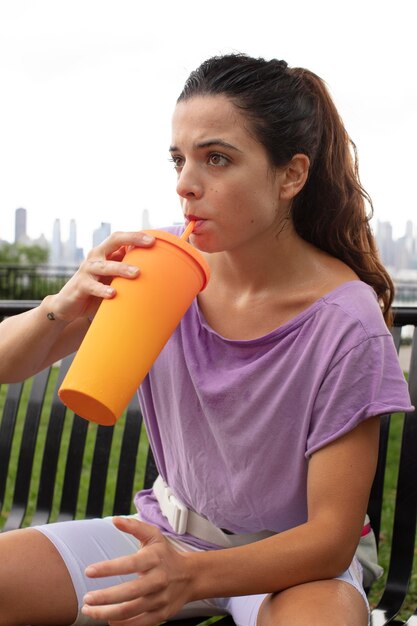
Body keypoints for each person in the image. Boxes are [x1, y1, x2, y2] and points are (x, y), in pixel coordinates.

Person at [0, 53, 413, 626]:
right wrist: (63, 304)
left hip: (290, 564)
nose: (185, 185)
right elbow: (6, 363)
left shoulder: (346, 321)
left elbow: (330, 539)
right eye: (179, 159)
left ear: (291, 175)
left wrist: (192, 577)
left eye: (216, 159)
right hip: (167, 536)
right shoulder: (158, 266)